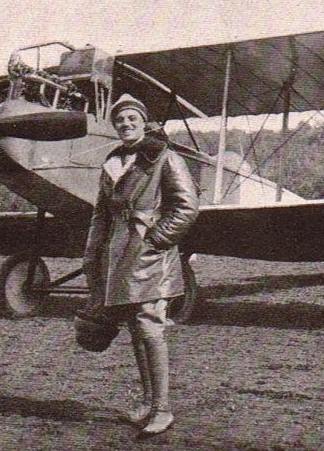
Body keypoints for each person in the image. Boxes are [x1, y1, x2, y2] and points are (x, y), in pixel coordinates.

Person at [81, 93, 199, 436]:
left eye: (132, 119)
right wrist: (92, 254)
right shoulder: (113, 160)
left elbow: (186, 207)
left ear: (143, 122)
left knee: (149, 327)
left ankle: (163, 409)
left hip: (149, 256)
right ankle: (148, 402)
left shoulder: (164, 156)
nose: (125, 124)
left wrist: (156, 241)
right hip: (118, 256)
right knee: (136, 330)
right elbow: (100, 214)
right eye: (120, 120)